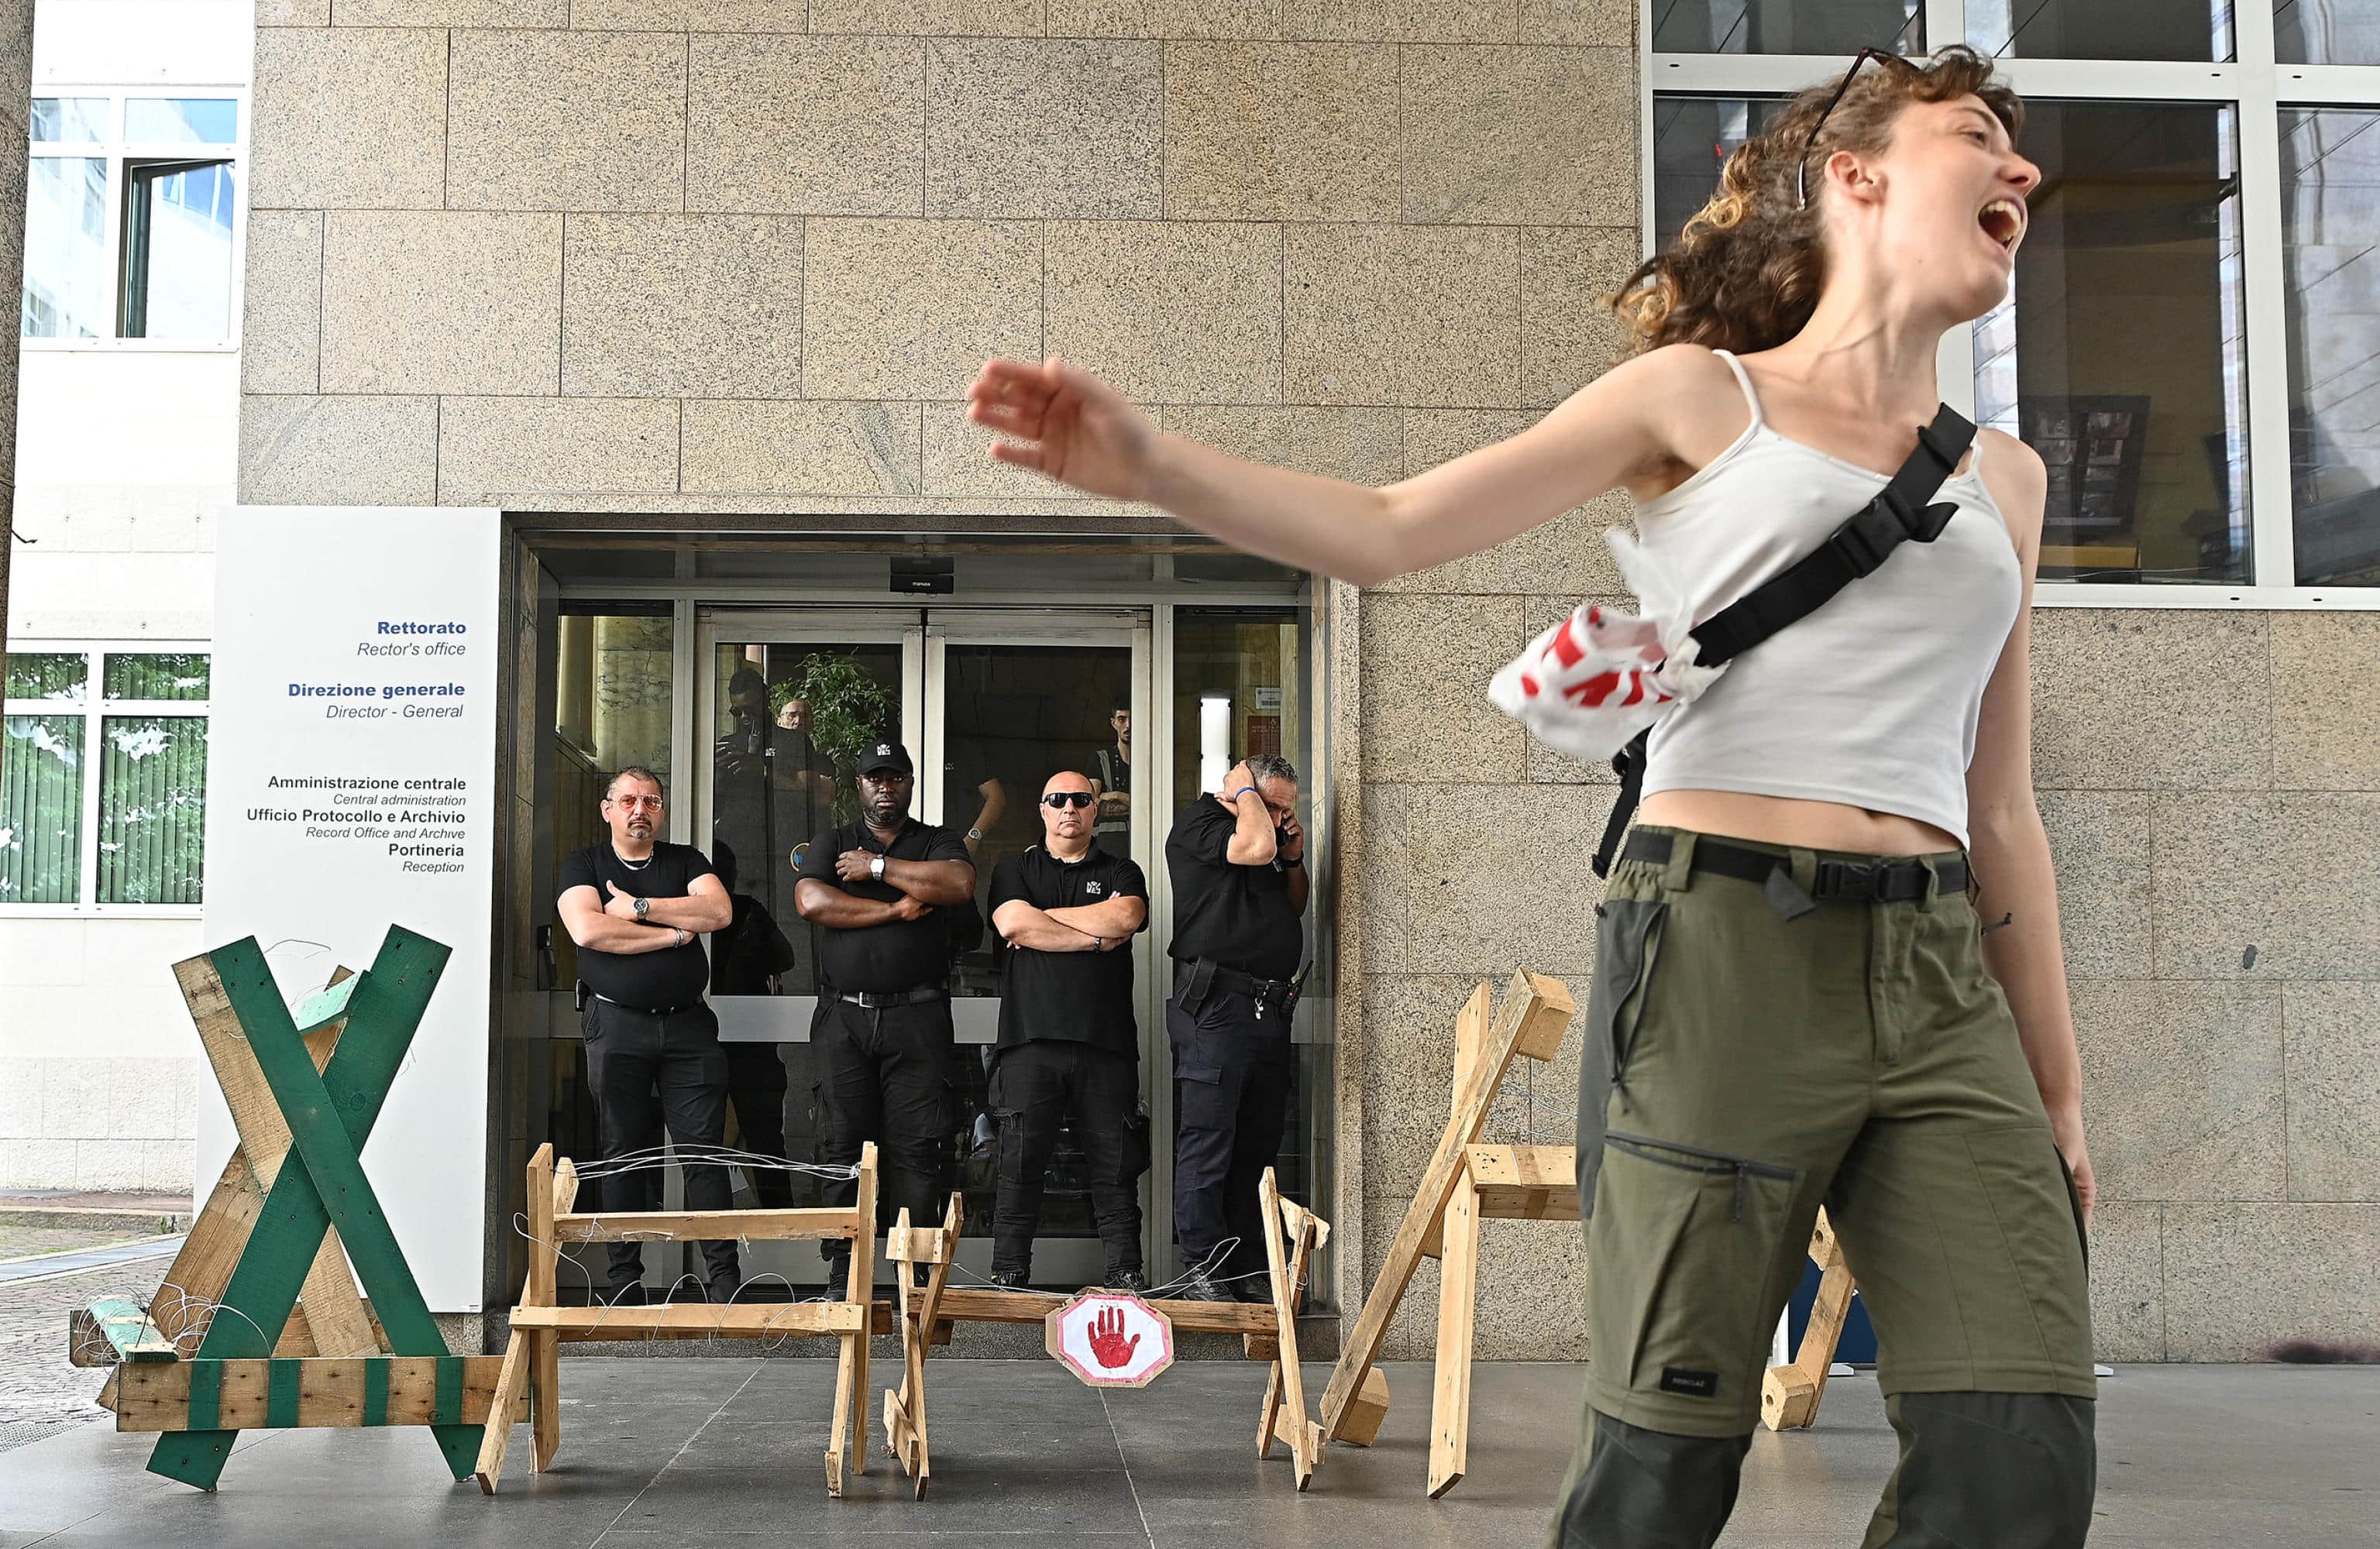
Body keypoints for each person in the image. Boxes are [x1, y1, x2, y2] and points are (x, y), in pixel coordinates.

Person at [965, 44, 2096, 1547]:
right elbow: (1387, 530)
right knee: (1662, 1463)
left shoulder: (2002, 479)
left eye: (2023, 152)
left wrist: (2059, 1087)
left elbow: (2000, 806)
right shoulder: (1704, 397)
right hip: (1723, 954)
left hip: (1943, 971)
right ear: (1857, 174)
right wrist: (1157, 463)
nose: (2021, 169)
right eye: (1980, 137)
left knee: (2021, 1459)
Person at [793, 740, 976, 1299]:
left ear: (910, 783)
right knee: (842, 1144)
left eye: (894, 777)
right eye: (874, 777)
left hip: (917, 1016)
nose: (885, 786)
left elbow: (957, 884)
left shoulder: (937, 841)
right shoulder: (833, 841)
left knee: (919, 1145)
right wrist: (896, 907)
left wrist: (877, 867)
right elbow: (813, 902)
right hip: (845, 1018)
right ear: (860, 786)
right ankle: (842, 1274)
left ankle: (914, 1277)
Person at [555, 767, 740, 1304]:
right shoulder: (585, 863)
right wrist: (677, 934)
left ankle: (725, 1282)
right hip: (616, 1023)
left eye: (651, 801)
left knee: (704, 1154)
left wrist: (637, 909)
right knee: (623, 1155)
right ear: (608, 808)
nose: (641, 810)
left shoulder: (687, 861)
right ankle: (624, 1284)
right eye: (629, 800)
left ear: (662, 810)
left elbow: (720, 911)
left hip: (688, 1027)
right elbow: (588, 930)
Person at [985, 771, 1152, 1291]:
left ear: (1095, 810)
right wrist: (1092, 939)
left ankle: (1125, 1275)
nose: (1069, 808)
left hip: (1105, 1045)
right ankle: (1010, 1274)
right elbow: (1013, 923)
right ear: (1042, 809)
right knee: (1020, 1164)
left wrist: (1046, 923)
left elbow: (1127, 915)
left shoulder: (1121, 868)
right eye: (1057, 799)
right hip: (1029, 1042)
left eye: (1081, 800)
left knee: (1116, 1169)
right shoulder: (1014, 867)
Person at [1158, 754, 1306, 1303]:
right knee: (1210, 1139)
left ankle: (1244, 1265)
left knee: (1257, 1145)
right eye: (1273, 806)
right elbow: (1256, 846)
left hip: (1268, 1008)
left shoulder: (1265, 835)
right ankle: (1201, 1265)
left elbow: (1294, 906)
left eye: (1288, 811)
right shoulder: (1204, 822)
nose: (1280, 820)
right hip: (1216, 1004)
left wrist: (1294, 858)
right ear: (1237, 790)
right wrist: (1248, 796)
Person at [707, 840, 800, 1211]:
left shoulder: (745, 911)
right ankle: (776, 1222)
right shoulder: (741, 910)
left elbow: (784, 957)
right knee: (750, 1146)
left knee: (757, 1144)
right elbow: (785, 956)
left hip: (746, 1046)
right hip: (729, 1047)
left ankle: (778, 1223)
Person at [1089, 702, 1132, 843]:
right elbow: (1093, 805)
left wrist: (1116, 795)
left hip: (1142, 844)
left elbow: (1153, 805)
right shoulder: (1100, 759)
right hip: (1106, 845)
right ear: (1114, 723)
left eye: (1132, 719)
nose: (1128, 726)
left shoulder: (1150, 763)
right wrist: (1135, 804)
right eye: (1122, 719)